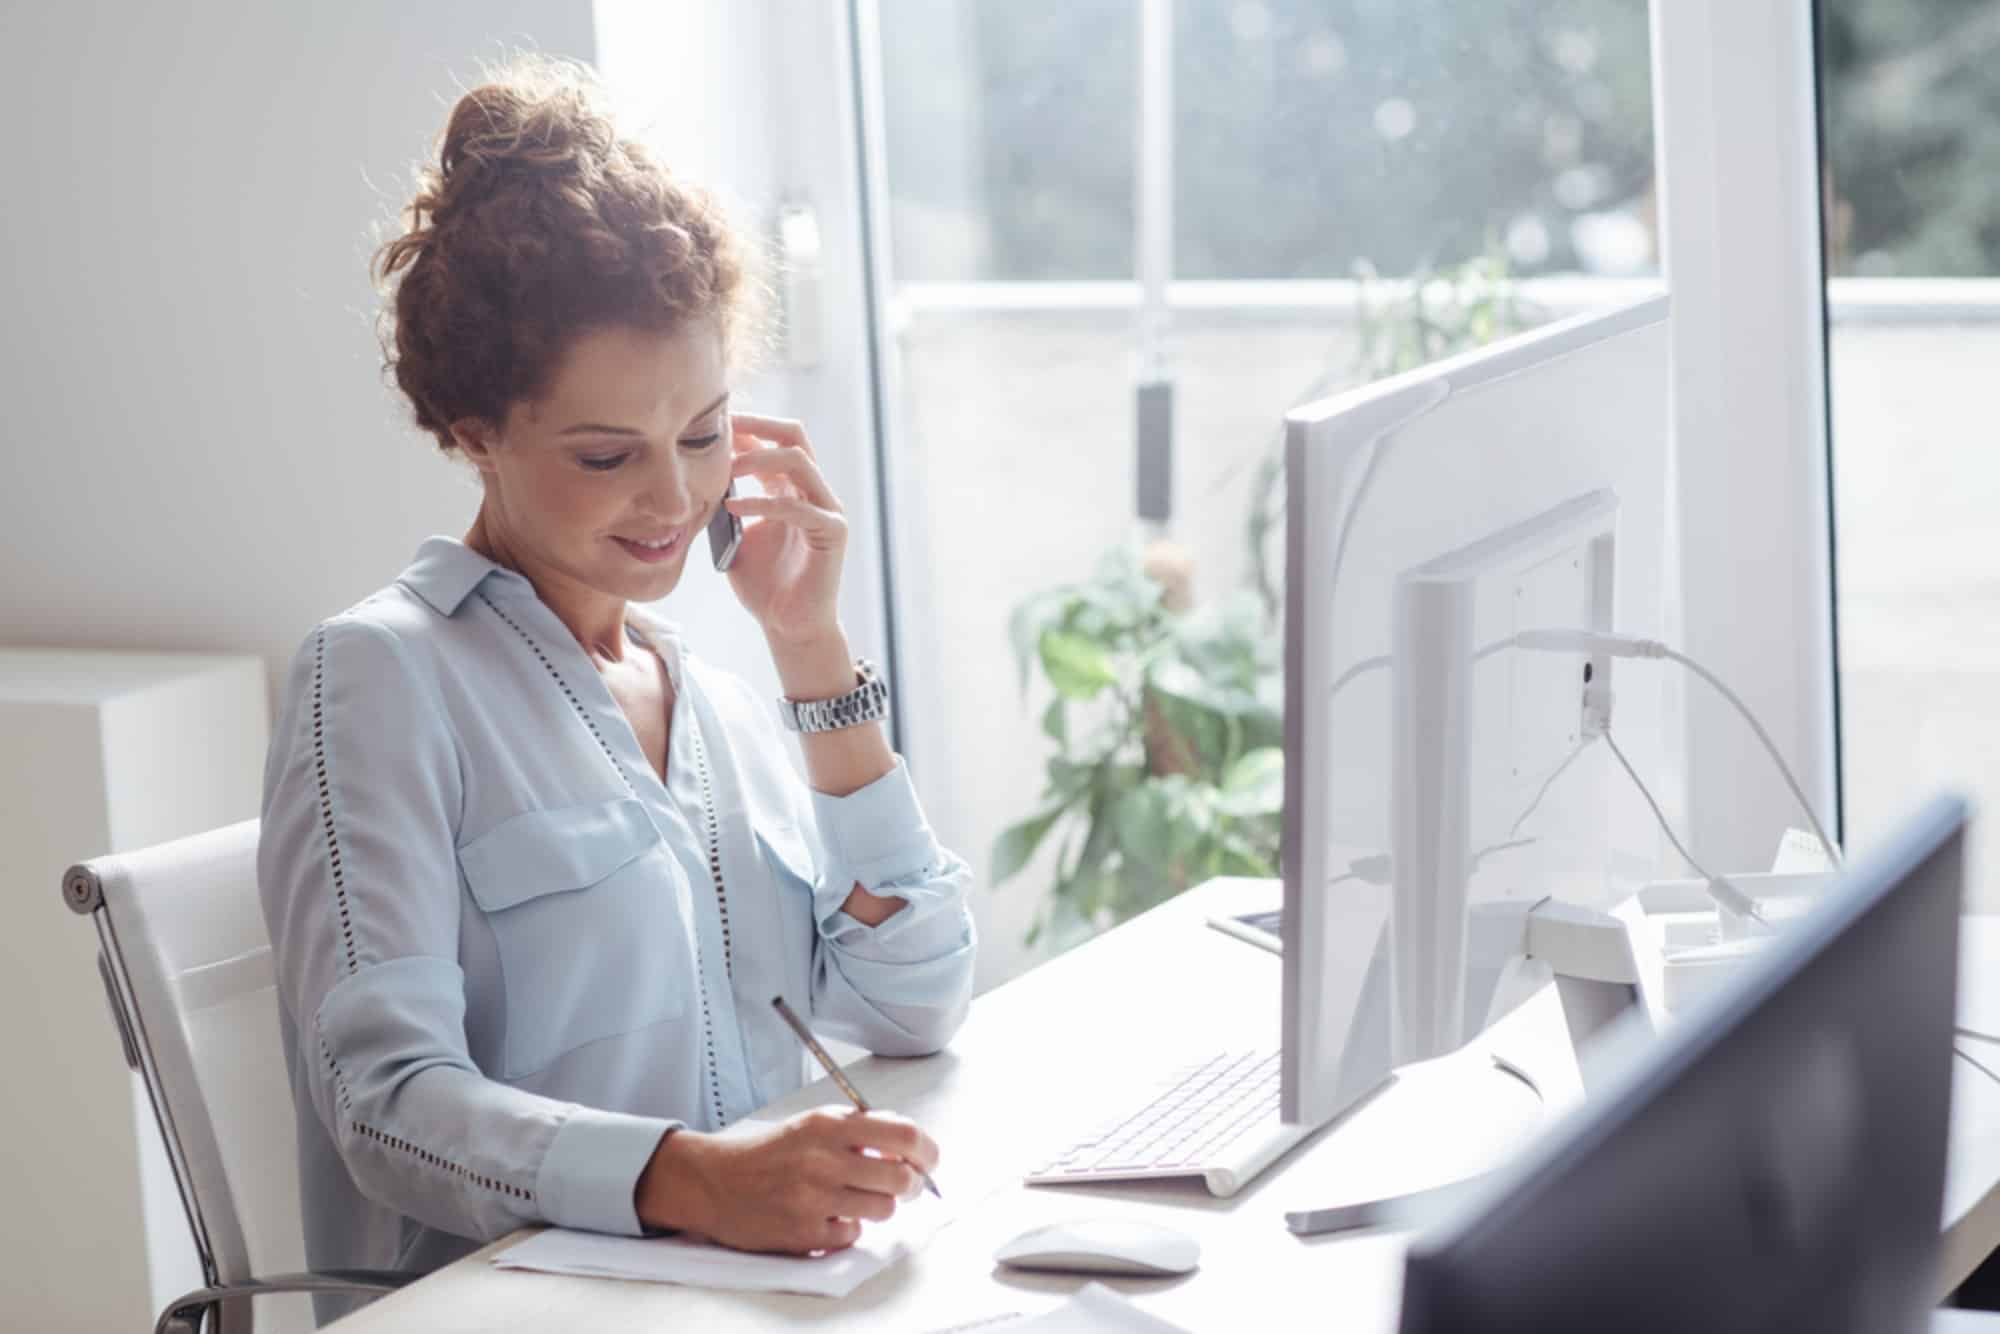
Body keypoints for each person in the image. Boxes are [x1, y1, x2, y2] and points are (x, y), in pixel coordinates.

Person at [256, 55, 976, 1318]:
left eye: (702, 432)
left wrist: (811, 648)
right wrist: (694, 1178)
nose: (673, 497)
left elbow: (914, 1001)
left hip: (749, 1298)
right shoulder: (380, 678)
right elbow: (384, 1101)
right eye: (606, 453)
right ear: (473, 431)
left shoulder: (713, 697)